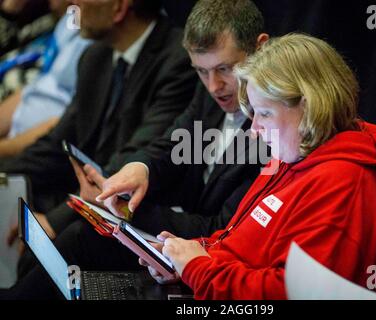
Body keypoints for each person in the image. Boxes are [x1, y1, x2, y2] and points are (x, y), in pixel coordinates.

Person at [0, 0, 269, 299]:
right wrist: (138, 168)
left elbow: (223, 227)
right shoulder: (211, 93)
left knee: (80, 240)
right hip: (176, 241)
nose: (214, 85)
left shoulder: (275, 122)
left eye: (224, 69)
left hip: (212, 262)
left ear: (260, 47)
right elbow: (170, 145)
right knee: (78, 237)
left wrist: (125, 211)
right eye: (202, 72)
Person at [137, 33, 376, 299]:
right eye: (254, 113)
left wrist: (200, 270)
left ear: (309, 108)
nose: (254, 130)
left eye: (265, 114)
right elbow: (238, 243)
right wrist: (187, 256)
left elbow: (289, 294)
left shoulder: (345, 186)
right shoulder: (291, 156)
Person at [0, 0, 196, 274]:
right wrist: (4, 173)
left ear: (118, 8)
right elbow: (57, 144)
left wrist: (54, 221)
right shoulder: (96, 56)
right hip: (83, 194)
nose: (74, 4)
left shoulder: (177, 61)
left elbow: (131, 161)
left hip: (132, 212)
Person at [0, 0, 92, 158]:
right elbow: (38, 86)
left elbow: (70, 123)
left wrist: (3, 149)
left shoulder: (102, 47)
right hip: (14, 134)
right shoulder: (72, 16)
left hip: (44, 155)